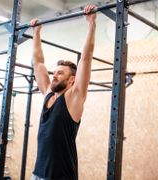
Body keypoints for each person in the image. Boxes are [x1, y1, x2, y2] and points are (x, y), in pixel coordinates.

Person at [30, 4, 97, 180]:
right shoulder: (48, 94)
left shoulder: (74, 98)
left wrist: (91, 23)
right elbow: (38, 63)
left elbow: (86, 58)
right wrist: (36, 33)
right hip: (38, 173)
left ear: (71, 80)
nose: (55, 75)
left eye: (60, 73)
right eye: (55, 72)